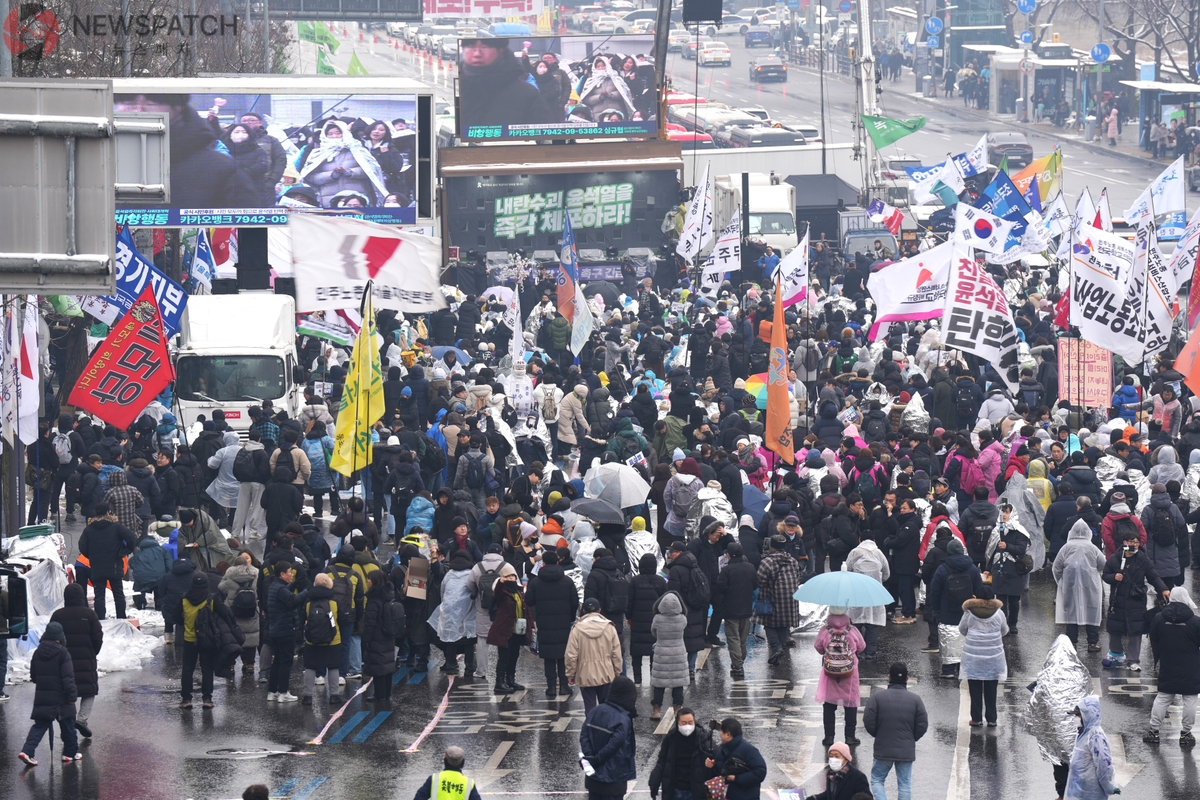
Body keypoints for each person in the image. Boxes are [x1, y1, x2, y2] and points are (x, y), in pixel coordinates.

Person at [1101, 526, 1168, 672]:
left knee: (1135, 631)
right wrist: (1114, 577)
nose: (1134, 545)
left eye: (1137, 542)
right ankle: (1116, 656)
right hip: (1117, 601)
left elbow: (1153, 576)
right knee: (1115, 630)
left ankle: (1133, 660)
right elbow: (1105, 575)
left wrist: (1163, 588)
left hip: (1136, 600)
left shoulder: (1143, 559)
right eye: (1132, 542)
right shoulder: (1115, 559)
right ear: (1124, 542)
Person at [459, 39, 557, 130]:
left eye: (484, 47)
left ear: (500, 50)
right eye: (471, 46)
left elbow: (543, 135)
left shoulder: (527, 94)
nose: (477, 54)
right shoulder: (462, 88)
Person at [18, 621, 79, 767]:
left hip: (43, 696)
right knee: (68, 724)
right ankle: (69, 753)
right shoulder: (63, 653)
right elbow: (68, 678)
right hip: (61, 698)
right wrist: (72, 697)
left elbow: (34, 676)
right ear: (60, 637)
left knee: (39, 726)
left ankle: (27, 751)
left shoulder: (38, 652)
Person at [863, 662, 927, 800]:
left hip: (883, 748)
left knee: (877, 780)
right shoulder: (916, 700)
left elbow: (868, 720)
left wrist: (878, 734)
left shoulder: (877, 697)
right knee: (904, 784)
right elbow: (922, 724)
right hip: (905, 750)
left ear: (888, 677)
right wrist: (910, 738)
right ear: (907, 678)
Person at [1145, 586, 1199, 746]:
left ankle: (1153, 731)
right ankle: (1186, 733)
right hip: (1191, 666)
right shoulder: (1195, 621)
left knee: (1163, 698)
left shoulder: (1159, 618)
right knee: (1190, 699)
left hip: (1168, 663)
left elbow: (1153, 637)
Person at [48, 583, 102, 740]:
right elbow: (98, 637)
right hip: (86, 660)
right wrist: (92, 652)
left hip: (63, 661)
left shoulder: (57, 615)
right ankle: (82, 719)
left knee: (65, 691)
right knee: (89, 690)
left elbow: (50, 638)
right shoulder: (89, 614)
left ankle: (67, 720)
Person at [526, 549, 579, 698]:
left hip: (544, 622)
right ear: (557, 562)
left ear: (543, 563)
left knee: (548, 656)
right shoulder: (567, 581)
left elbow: (529, 600)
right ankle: (563, 686)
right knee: (563, 655)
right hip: (563, 623)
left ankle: (550, 687)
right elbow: (575, 601)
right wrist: (570, 616)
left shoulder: (536, 582)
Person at [927, 539, 983, 679]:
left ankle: (948, 670)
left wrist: (935, 609)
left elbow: (935, 591)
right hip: (967, 611)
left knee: (948, 639)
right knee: (966, 638)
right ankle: (963, 668)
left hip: (947, 611)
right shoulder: (972, 568)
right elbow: (979, 589)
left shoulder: (943, 568)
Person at [580, 675, 638, 800]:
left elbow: (584, 734)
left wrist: (590, 757)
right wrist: (598, 760)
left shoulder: (595, 711)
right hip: (614, 778)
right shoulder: (623, 719)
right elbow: (615, 744)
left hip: (593, 778)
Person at [77, 502, 138, 620]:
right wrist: (124, 551)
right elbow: (132, 538)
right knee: (118, 594)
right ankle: (121, 618)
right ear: (108, 512)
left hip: (97, 566)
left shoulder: (89, 529)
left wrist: (92, 556)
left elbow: (82, 546)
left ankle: (100, 619)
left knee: (99, 594)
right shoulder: (117, 527)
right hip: (114, 565)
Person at [814, 606, 866, 746]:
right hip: (850, 672)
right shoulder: (852, 630)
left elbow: (818, 647)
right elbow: (862, 646)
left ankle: (829, 737)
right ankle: (850, 737)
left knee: (829, 704)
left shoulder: (825, 630)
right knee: (850, 704)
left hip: (830, 672)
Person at [1053, 519, 1107, 652]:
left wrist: (1061, 582)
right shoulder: (1092, 548)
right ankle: (1092, 643)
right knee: (1091, 611)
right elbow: (1103, 564)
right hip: (1091, 585)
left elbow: (1056, 567)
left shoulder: (1066, 547)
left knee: (1071, 613)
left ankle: (1072, 643)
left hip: (1070, 585)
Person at [958, 585, 1007, 727]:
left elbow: (962, 629)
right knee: (991, 688)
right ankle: (992, 719)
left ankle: (976, 718)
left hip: (973, 656)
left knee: (975, 688)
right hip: (994, 655)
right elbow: (1004, 630)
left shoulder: (969, 612)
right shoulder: (999, 613)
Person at [566, 597, 623, 712]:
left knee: (590, 707)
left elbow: (571, 655)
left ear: (583, 611)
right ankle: (605, 728)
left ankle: (592, 728)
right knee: (606, 707)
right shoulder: (609, 627)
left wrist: (570, 674)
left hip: (585, 673)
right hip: (606, 673)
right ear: (600, 610)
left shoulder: (577, 629)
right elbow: (616, 653)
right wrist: (617, 672)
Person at [649, 709, 716, 800]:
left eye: (690, 722)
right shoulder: (671, 738)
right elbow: (662, 760)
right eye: (684, 723)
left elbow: (716, 760)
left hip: (696, 790)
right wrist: (654, 780)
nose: (687, 726)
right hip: (675, 789)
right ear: (678, 723)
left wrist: (712, 764)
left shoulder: (703, 739)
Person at [266, 561, 309, 703]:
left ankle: (272, 692)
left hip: (276, 630)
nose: (292, 574)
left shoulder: (275, 586)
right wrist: (306, 592)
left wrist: (295, 584)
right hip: (285, 631)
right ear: (282, 574)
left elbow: (285, 594)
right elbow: (292, 601)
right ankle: (284, 692)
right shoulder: (280, 589)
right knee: (285, 662)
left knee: (277, 662)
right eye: (290, 572)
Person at [756, 535, 803, 665]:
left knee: (769, 624)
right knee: (783, 624)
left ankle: (776, 647)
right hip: (790, 598)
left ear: (772, 546)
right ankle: (781, 647)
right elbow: (797, 577)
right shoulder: (792, 561)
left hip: (771, 598)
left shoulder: (767, 562)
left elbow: (760, 580)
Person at [984, 503, 1030, 633]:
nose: (1004, 515)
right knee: (1000, 599)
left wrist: (1008, 546)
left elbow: (1021, 549)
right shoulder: (996, 530)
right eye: (1003, 512)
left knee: (1014, 600)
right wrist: (987, 567)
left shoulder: (1019, 530)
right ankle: (1002, 624)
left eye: (1007, 512)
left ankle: (1013, 623)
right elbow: (991, 551)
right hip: (999, 568)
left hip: (1014, 568)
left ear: (1012, 514)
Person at [714, 541, 756, 679]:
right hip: (746, 608)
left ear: (729, 555)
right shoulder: (750, 567)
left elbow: (720, 587)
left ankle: (738, 665)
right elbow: (755, 584)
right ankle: (740, 660)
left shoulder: (727, 570)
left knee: (733, 638)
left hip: (731, 610)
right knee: (743, 638)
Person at [487, 568, 532, 695]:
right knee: (504, 657)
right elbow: (497, 593)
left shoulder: (519, 591)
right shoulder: (502, 592)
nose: (511, 578)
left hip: (518, 629)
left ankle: (510, 680)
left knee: (514, 655)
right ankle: (499, 682)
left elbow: (526, 608)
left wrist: (531, 624)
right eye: (508, 576)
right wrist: (501, 582)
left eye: (512, 576)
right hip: (505, 629)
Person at [1065, 697, 1121, 799]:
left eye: (1078, 715)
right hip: (1079, 791)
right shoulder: (1083, 733)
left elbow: (1103, 765)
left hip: (1090, 793)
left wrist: (1109, 786)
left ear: (1087, 715)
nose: (1076, 718)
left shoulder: (1096, 736)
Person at [302, 572, 344, 706]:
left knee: (310, 666)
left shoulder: (308, 602)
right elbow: (341, 620)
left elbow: (303, 618)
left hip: (312, 639)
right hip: (333, 639)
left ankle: (307, 697)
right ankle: (334, 695)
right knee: (333, 666)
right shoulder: (334, 601)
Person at [845, 532, 889, 659]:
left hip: (857, 592)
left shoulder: (854, 552)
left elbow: (846, 570)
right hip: (874, 593)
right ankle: (870, 652)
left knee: (856, 623)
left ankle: (856, 650)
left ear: (860, 539)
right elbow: (886, 573)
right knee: (872, 623)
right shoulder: (878, 553)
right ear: (874, 539)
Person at [219, 552, 262, 677]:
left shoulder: (230, 576)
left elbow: (221, 587)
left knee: (232, 638)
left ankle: (231, 664)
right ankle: (249, 664)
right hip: (251, 610)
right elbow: (259, 591)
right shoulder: (256, 575)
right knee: (252, 636)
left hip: (233, 611)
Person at [362, 570, 401, 703]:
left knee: (378, 667)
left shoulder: (374, 599)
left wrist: (365, 640)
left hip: (376, 637)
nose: (367, 581)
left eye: (369, 579)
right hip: (388, 635)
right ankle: (387, 694)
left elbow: (370, 622)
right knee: (388, 666)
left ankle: (379, 695)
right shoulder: (389, 596)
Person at [649, 591, 689, 720]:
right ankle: (678, 708)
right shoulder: (682, 619)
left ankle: (656, 709)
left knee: (659, 683)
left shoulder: (657, 619)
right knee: (678, 682)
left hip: (661, 652)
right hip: (678, 652)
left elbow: (653, 632)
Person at [708, 717, 767, 800]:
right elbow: (719, 772)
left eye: (721, 731)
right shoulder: (722, 749)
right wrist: (712, 765)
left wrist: (736, 778)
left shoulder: (749, 750)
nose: (720, 734)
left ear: (728, 734)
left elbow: (760, 772)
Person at [412, 746, 485, 800]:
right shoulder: (468, 783)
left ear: (445, 760)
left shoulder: (434, 779)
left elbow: (419, 798)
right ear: (462, 762)